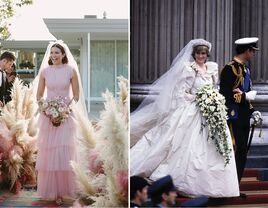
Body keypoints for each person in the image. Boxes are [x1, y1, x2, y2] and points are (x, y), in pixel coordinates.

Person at [130, 39, 240, 197]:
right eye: (198, 53)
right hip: (193, 109)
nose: (201, 56)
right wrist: (200, 98)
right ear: (194, 54)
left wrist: (213, 98)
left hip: (211, 111)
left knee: (214, 147)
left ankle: (215, 185)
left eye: (203, 53)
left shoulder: (212, 68)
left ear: (207, 54)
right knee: (185, 145)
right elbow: (181, 93)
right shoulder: (188, 69)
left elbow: (215, 88)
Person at [35, 40, 88, 205]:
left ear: (63, 54)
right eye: (52, 53)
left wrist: (64, 111)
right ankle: (51, 191)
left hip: (66, 116)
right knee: (50, 154)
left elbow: (76, 95)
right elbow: (39, 96)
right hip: (48, 118)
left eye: (57, 52)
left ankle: (66, 191)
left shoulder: (71, 70)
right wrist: (47, 110)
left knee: (66, 153)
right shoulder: (45, 72)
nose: (54, 55)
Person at [219, 37, 261, 189]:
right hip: (233, 116)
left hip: (243, 116)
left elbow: (245, 95)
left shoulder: (245, 69)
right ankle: (230, 186)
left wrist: (253, 111)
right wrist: (243, 96)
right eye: (252, 51)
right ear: (247, 51)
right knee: (238, 149)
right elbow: (224, 95)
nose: (253, 54)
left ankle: (235, 186)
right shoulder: (230, 69)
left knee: (243, 152)